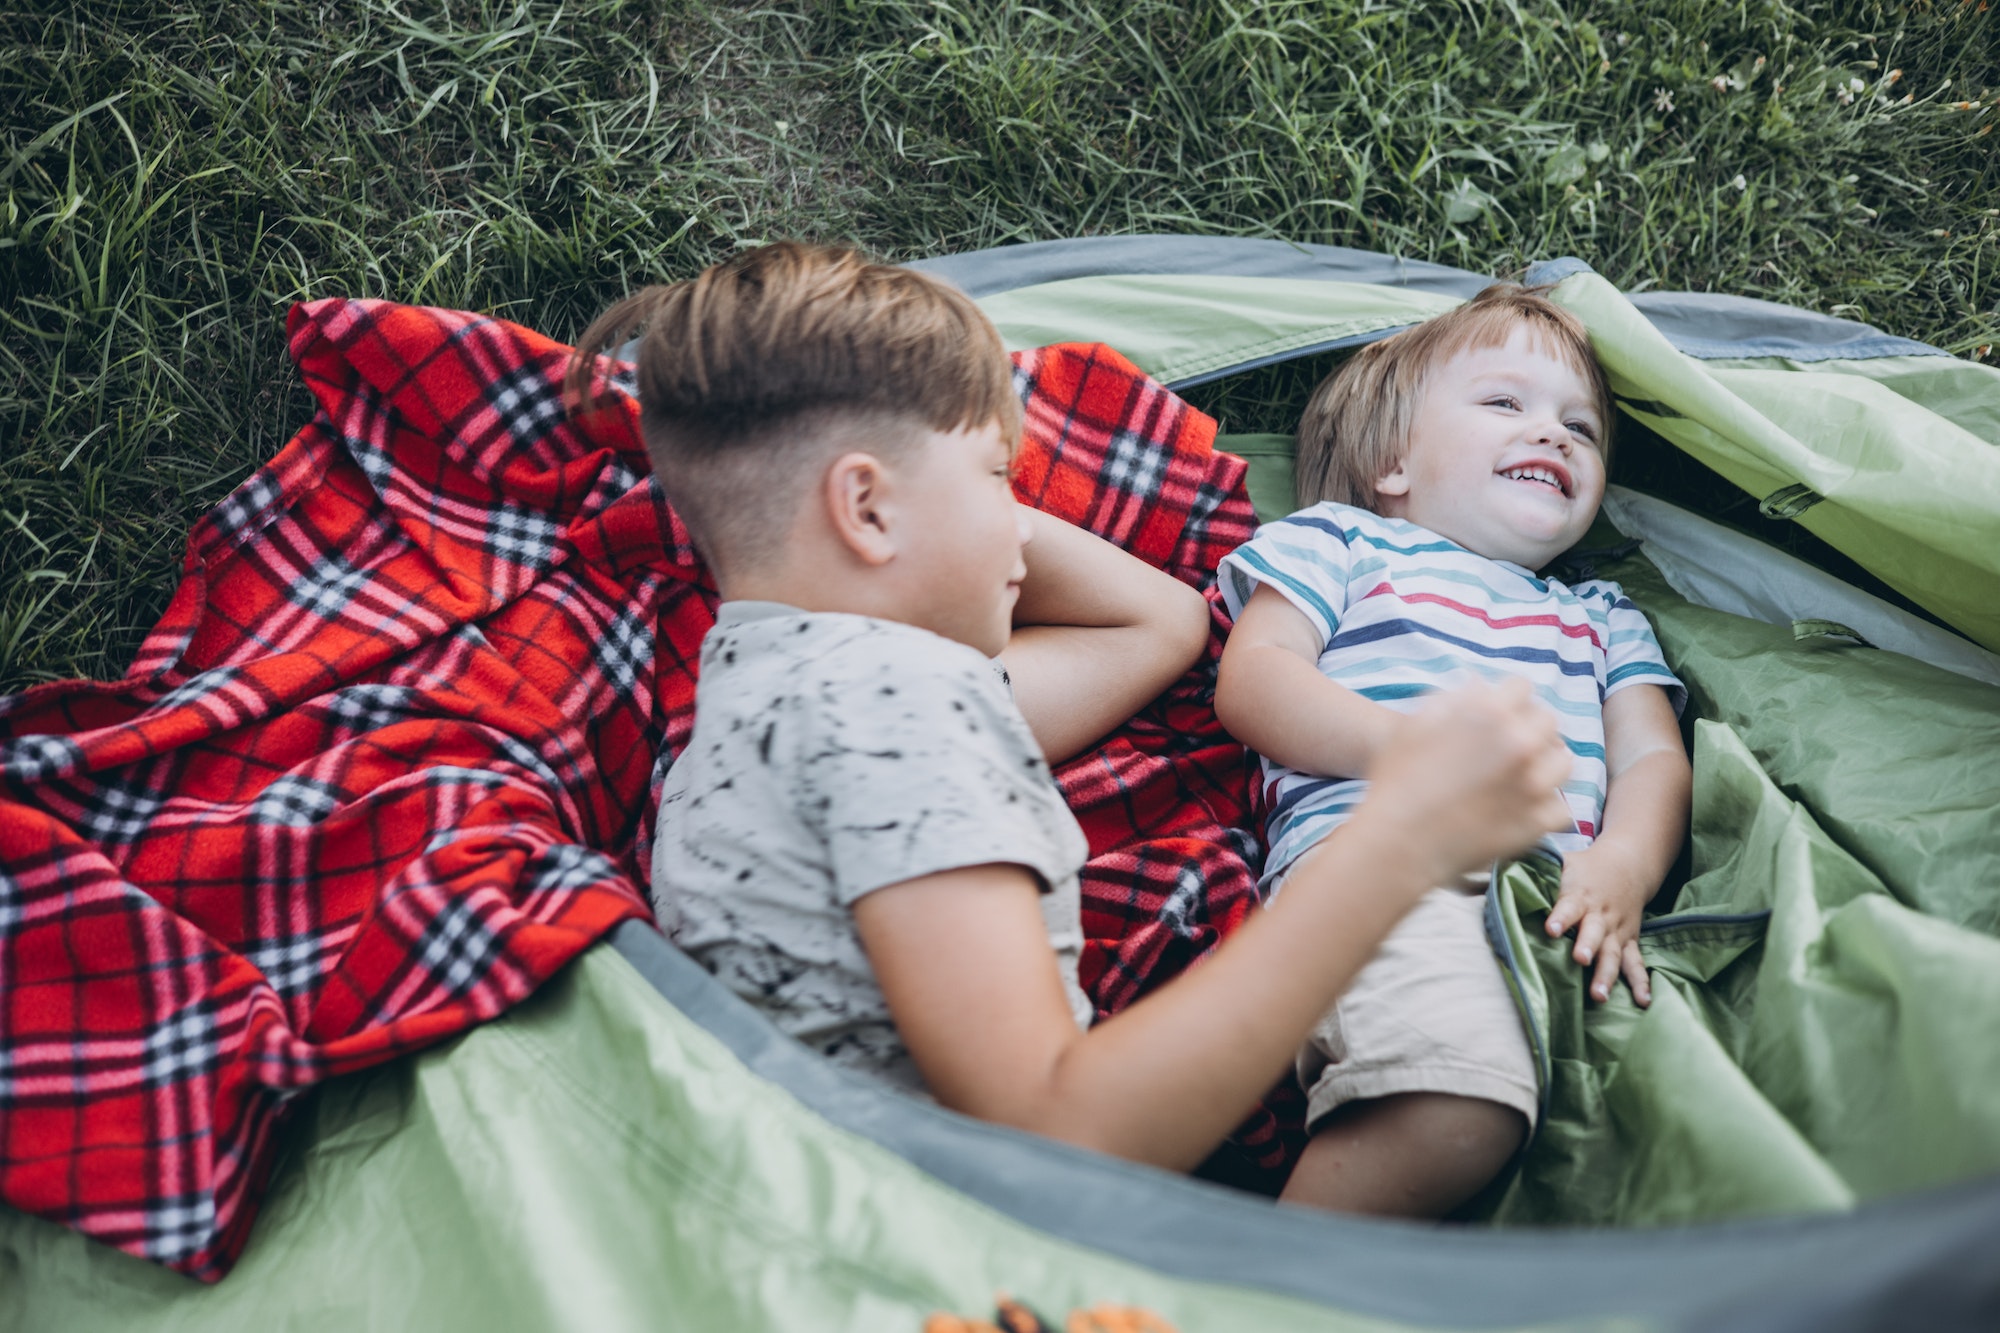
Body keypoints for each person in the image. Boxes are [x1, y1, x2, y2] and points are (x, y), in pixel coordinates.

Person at [566, 242, 1576, 1178]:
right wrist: (1397, 839)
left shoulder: (771, 687)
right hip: (943, 1241)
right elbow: (1058, 1127)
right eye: (999, 477)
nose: (1020, 525)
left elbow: (1158, 623)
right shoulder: (894, 710)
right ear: (865, 508)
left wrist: (948, 521)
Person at [1213, 284, 1691, 1217]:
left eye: (1581, 427)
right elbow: (1257, 677)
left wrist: (1624, 867)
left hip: (1565, 909)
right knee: (1451, 1105)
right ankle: (1251, 1293)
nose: (1554, 435)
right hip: (1389, 864)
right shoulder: (1345, 542)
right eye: (1506, 404)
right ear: (1391, 461)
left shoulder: (1597, 617)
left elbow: (1652, 761)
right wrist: (1412, 754)